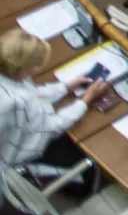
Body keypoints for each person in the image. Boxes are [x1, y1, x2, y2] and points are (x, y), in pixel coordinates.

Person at [0, 28, 112, 173]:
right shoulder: (19, 102)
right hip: (17, 154)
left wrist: (66, 87)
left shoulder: (8, 76)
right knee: (84, 151)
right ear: (24, 68)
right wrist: (85, 100)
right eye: (36, 64)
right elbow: (53, 127)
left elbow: (33, 92)